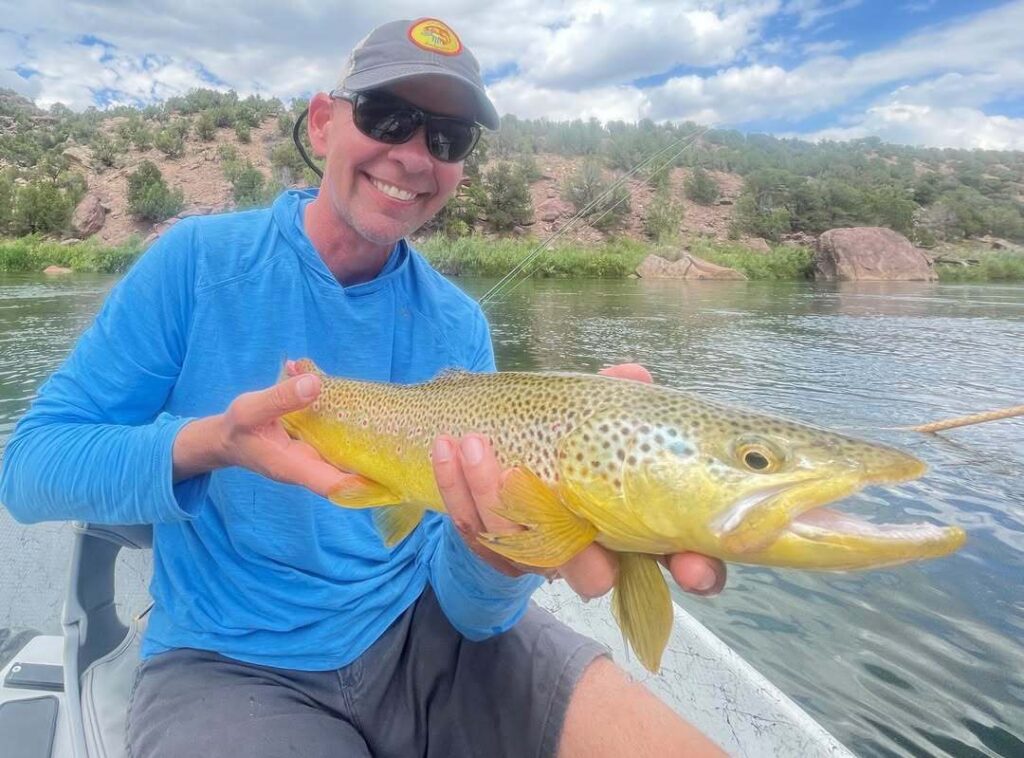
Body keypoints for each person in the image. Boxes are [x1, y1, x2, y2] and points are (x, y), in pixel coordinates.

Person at [0, 17, 726, 758]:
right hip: (227, 663)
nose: (414, 156)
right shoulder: (193, 264)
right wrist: (212, 443)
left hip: (423, 632)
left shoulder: (459, 326)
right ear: (322, 123)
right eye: (387, 117)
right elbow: (28, 470)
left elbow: (472, 612)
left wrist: (503, 553)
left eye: (448, 138)